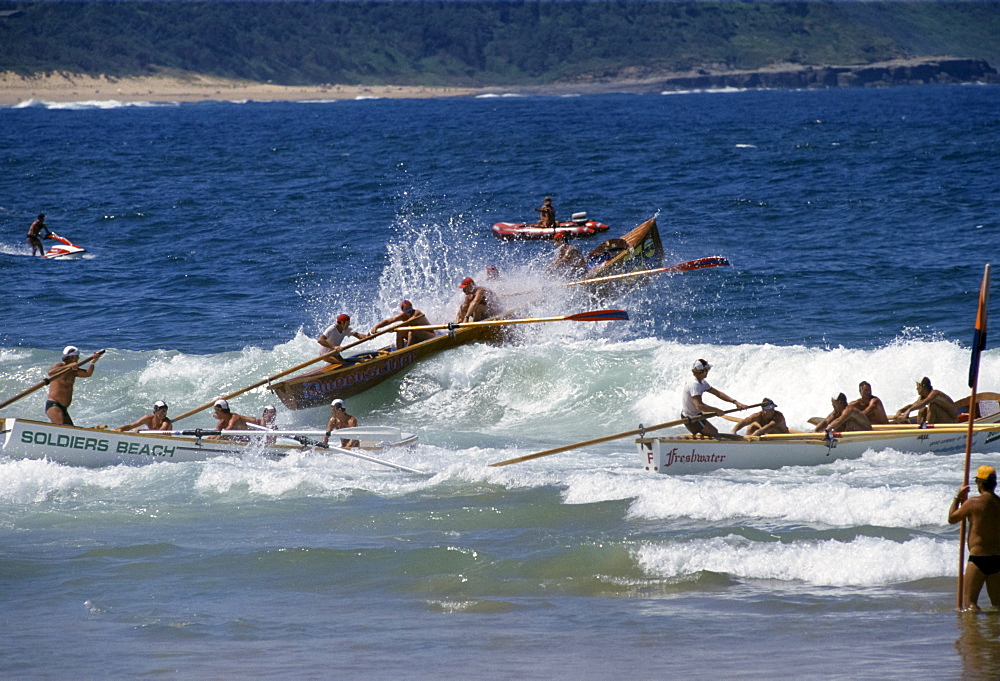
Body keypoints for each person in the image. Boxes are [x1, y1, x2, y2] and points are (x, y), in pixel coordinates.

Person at [949, 465, 1000, 611]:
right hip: (997, 557)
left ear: (980, 483)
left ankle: (973, 633)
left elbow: (952, 518)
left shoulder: (973, 502)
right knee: (997, 605)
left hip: (978, 558)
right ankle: (994, 631)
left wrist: (957, 497)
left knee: (970, 604)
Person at [680, 359, 749, 437]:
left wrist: (735, 402)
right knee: (714, 433)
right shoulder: (694, 384)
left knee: (713, 432)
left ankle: (700, 435)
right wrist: (716, 410)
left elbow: (718, 393)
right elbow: (699, 406)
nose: (708, 372)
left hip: (696, 415)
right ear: (703, 370)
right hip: (690, 418)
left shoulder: (702, 382)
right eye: (707, 370)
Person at [45, 345, 100, 426]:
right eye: (76, 356)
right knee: (61, 429)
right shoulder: (59, 366)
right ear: (70, 357)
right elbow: (50, 373)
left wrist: (92, 362)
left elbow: (88, 374)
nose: (78, 359)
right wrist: (68, 366)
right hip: (54, 406)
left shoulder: (74, 371)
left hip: (64, 408)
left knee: (70, 429)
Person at [370, 300, 436, 350]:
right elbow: (388, 321)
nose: (410, 311)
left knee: (411, 330)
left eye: (410, 308)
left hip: (429, 334)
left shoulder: (417, 313)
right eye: (407, 309)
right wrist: (376, 327)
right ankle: (399, 352)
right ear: (402, 310)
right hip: (415, 336)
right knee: (400, 332)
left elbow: (408, 322)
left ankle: (407, 351)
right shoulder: (402, 316)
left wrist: (393, 328)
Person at [894, 376, 958, 425]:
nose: (916, 388)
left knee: (932, 405)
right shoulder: (922, 397)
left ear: (923, 386)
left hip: (951, 421)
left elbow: (925, 402)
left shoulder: (935, 393)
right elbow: (913, 405)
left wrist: (909, 411)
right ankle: (920, 430)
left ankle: (927, 430)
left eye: (918, 386)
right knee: (922, 409)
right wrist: (900, 410)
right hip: (940, 421)